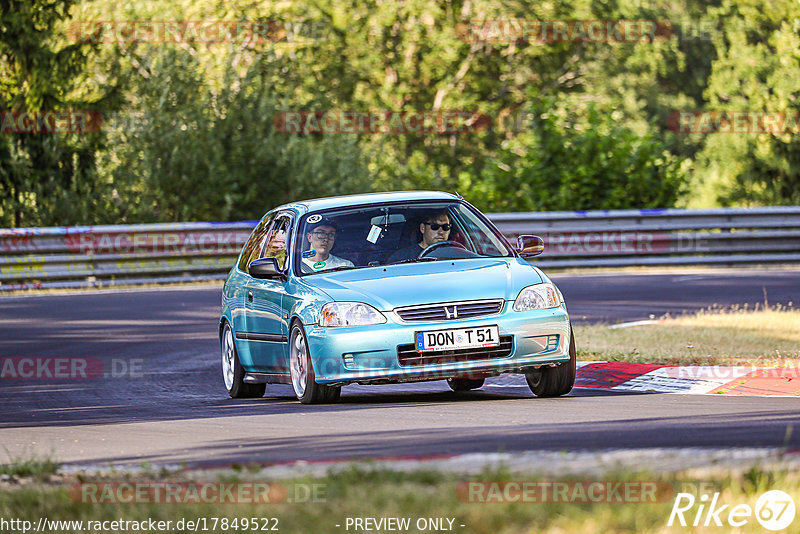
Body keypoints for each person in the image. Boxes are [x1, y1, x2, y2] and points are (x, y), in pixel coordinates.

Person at [387, 210, 453, 263]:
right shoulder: (402, 257)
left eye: (446, 227)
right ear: (422, 228)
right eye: (434, 226)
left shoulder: (455, 254)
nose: (441, 232)